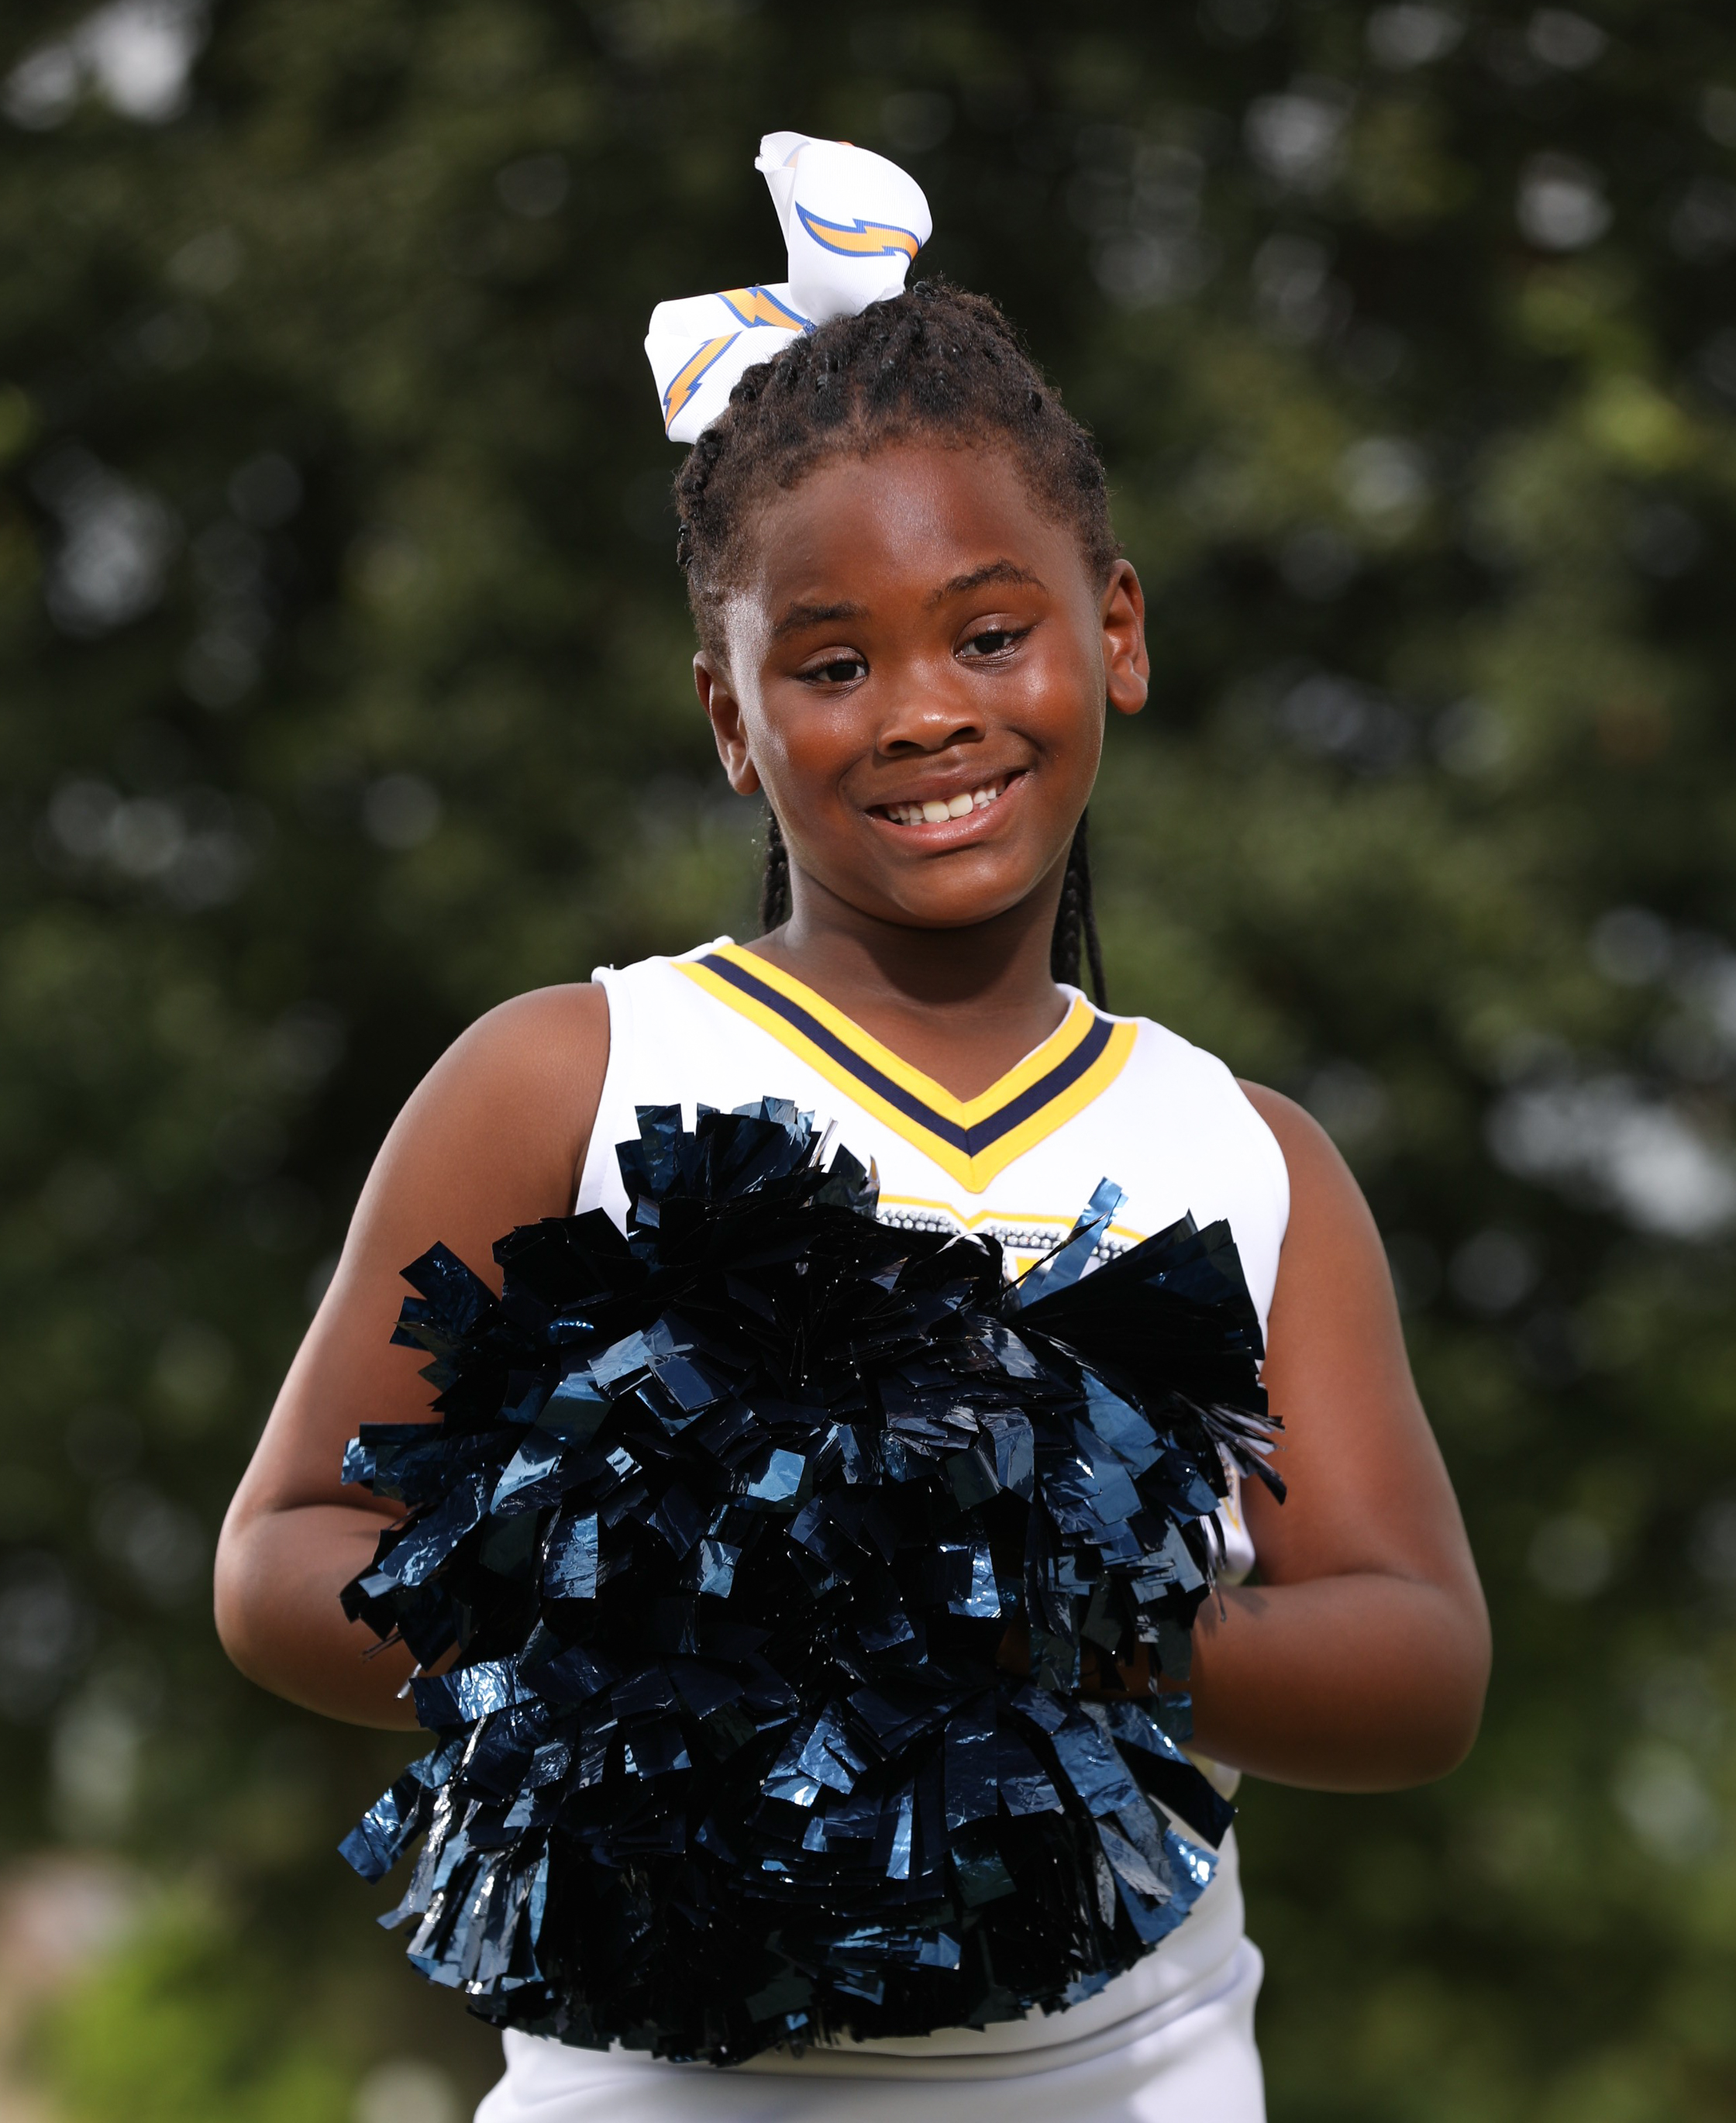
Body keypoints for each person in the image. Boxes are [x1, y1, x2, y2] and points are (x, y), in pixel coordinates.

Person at [215, 136, 1490, 2123]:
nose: (920, 711)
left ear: (1116, 632)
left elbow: (1418, 1660)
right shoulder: (566, 1076)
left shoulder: (1244, 1155)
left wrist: (1061, 1616)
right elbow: (284, 1553)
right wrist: (647, 1633)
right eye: (830, 662)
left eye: (988, 633)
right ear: (732, 719)